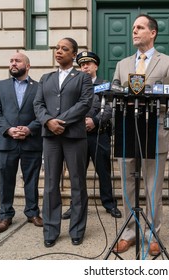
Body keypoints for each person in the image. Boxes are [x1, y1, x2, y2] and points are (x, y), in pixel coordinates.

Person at [112, 14, 169, 256]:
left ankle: (153, 233)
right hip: (127, 132)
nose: (134, 31)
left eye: (140, 27)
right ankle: (129, 232)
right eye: (133, 27)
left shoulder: (168, 62)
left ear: (152, 33)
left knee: (153, 187)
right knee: (127, 186)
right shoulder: (122, 64)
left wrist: (155, 100)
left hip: (154, 133)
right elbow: (113, 93)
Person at [33, 37, 93, 248]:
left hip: (74, 137)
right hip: (50, 138)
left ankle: (77, 229)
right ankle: (51, 229)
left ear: (74, 54)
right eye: (57, 48)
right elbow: (38, 104)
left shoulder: (82, 78)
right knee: (50, 184)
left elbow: (85, 103)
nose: (58, 51)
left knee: (77, 183)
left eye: (64, 49)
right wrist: (48, 121)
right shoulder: (45, 78)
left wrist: (62, 121)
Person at [61, 51, 122, 220]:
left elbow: (110, 108)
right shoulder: (74, 85)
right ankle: (75, 205)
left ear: (96, 66)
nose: (85, 67)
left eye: (88, 64)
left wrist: (95, 121)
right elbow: (67, 107)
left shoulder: (105, 85)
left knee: (104, 171)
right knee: (77, 173)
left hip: (99, 135)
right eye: (82, 65)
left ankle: (109, 204)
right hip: (77, 136)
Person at [0, 52, 43, 233]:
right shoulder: (0, 86)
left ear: (27, 66)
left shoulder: (39, 87)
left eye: (17, 61)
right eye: (11, 60)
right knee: (5, 180)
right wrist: (8, 129)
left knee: (32, 179)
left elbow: (43, 113)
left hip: (31, 141)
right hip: (5, 141)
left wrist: (29, 129)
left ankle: (32, 212)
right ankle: (5, 216)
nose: (13, 63)